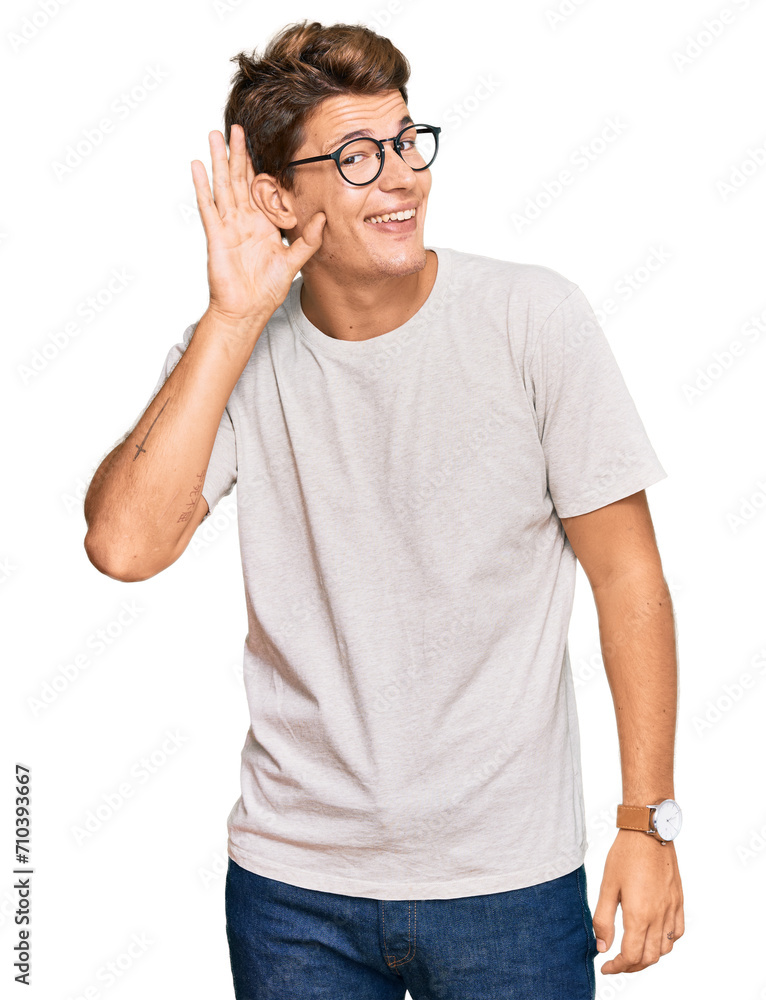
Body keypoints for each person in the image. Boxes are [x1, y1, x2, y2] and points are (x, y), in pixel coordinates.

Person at [83, 19, 684, 1000]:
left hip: (509, 881)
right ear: (278, 196)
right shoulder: (235, 349)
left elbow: (629, 577)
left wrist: (645, 820)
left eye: (406, 141)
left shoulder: (533, 319)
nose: (402, 176)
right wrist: (231, 317)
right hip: (293, 890)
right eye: (358, 156)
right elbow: (123, 544)